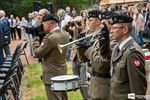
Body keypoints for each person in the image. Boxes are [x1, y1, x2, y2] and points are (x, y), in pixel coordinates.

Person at [109, 13, 147, 100]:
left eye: (114, 28)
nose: (111, 31)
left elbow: (138, 90)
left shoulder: (132, 53)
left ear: (125, 29)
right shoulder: (116, 48)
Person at [32, 14, 70, 100]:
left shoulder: (49, 38)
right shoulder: (65, 34)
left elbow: (37, 53)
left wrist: (35, 38)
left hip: (51, 76)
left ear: (48, 25)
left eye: (43, 25)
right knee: (63, 97)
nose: (43, 27)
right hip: (62, 72)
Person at [78, 10, 111, 100]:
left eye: (90, 20)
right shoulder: (92, 35)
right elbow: (83, 59)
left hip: (103, 82)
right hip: (92, 77)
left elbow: (101, 64)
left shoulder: (109, 39)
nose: (88, 23)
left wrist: (88, 48)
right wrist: (80, 48)